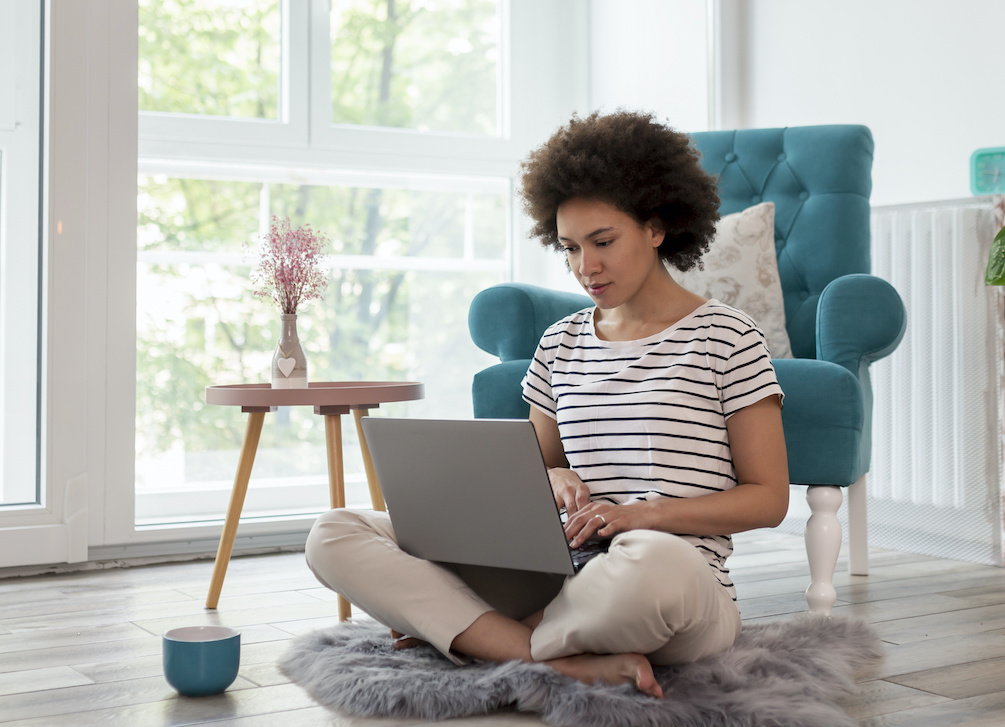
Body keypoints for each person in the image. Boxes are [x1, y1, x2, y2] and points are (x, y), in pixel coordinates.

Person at [305, 110, 789, 699]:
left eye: (603, 241)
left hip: (670, 582)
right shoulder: (559, 343)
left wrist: (640, 515)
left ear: (656, 227)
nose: (587, 266)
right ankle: (552, 656)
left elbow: (769, 499)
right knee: (334, 532)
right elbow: (532, 469)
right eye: (570, 248)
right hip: (559, 575)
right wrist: (555, 479)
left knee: (651, 562)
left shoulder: (727, 337)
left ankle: (474, 636)